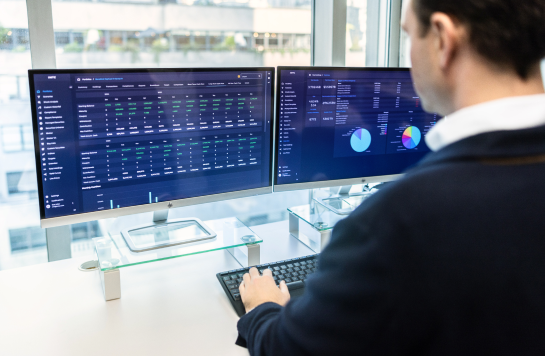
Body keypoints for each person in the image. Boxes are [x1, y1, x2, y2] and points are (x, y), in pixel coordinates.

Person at [235, 0, 545, 354]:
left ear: (443, 39)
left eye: (410, 35)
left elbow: (289, 349)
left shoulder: (401, 219)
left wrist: (261, 310)